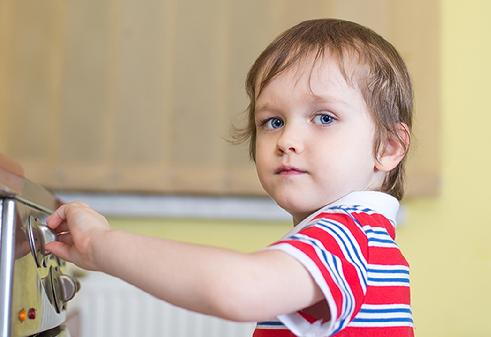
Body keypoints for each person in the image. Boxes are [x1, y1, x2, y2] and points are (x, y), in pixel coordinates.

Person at [46, 18, 415, 337]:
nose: (286, 140)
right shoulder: (359, 236)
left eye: (324, 118)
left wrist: (99, 244)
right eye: (274, 121)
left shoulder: (348, 234)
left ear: (387, 147)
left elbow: (239, 288)